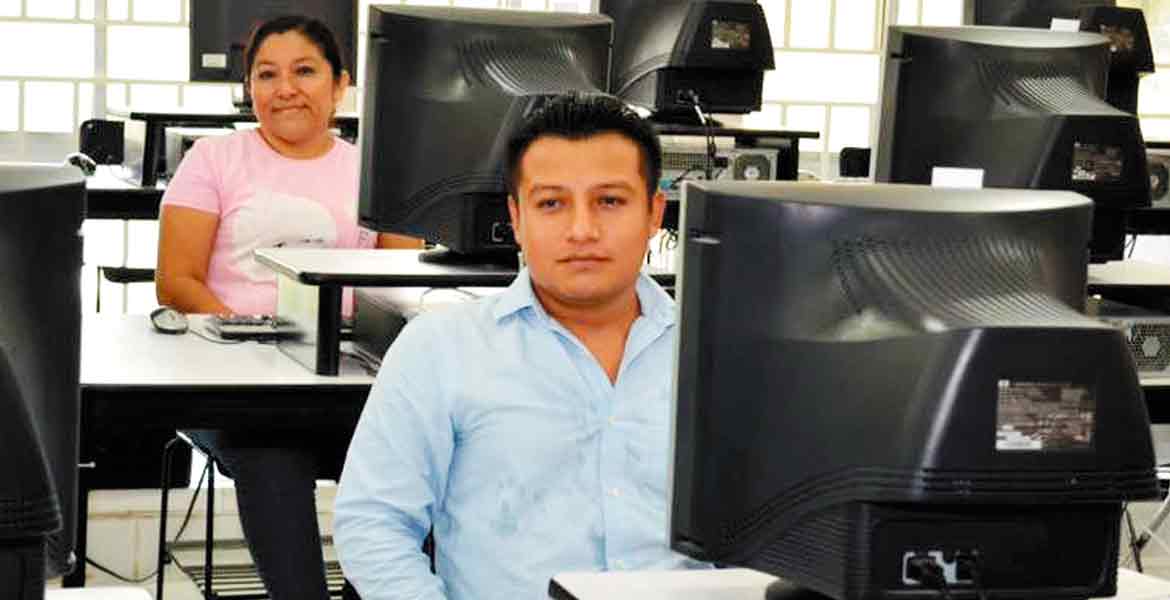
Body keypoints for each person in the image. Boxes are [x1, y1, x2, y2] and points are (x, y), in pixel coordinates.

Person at [334, 93, 708, 600]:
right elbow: (373, 525)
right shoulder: (442, 350)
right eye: (551, 203)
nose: (582, 230)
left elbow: (773, 534)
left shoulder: (713, 355)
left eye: (610, 201)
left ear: (654, 212)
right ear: (516, 217)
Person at [154, 14, 418, 600]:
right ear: (249, 88)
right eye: (267, 75)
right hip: (238, 387)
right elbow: (176, 282)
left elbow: (403, 283)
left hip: (343, 381)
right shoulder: (214, 159)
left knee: (415, 456)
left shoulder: (371, 170)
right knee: (273, 454)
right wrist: (249, 337)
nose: (285, 89)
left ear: (340, 84)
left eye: (304, 71)